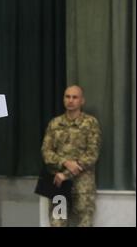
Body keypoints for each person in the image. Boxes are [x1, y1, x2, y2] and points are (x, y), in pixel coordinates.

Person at [41, 85, 101, 227]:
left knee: (85, 223)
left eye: (75, 97)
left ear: (82, 101)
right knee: (57, 223)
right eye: (67, 96)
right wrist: (65, 162)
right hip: (57, 183)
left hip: (83, 185)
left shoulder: (91, 123)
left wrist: (66, 174)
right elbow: (46, 152)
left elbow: (92, 154)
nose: (70, 100)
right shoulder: (54, 124)